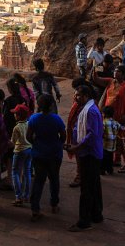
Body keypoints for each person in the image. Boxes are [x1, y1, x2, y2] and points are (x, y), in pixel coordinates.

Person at [66, 85, 103, 231]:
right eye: (75, 95)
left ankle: (84, 221)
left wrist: (77, 147)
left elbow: (91, 135)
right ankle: (96, 214)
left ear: (87, 96)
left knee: (87, 187)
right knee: (94, 185)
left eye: (79, 95)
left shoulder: (91, 111)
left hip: (90, 153)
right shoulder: (87, 109)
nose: (76, 97)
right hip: (87, 152)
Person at [26, 93, 65, 221]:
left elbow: (28, 136)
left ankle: (35, 208)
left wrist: (36, 143)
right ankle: (54, 204)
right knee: (54, 179)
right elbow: (63, 136)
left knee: (38, 180)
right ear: (51, 105)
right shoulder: (56, 119)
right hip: (54, 153)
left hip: (39, 153)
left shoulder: (34, 118)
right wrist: (58, 144)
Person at [101, 66, 125, 172]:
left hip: (120, 117)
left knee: (121, 140)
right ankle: (117, 159)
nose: (115, 72)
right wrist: (94, 68)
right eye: (114, 70)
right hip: (109, 116)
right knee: (112, 138)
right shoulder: (110, 82)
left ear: (123, 74)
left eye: (118, 71)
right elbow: (96, 79)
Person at [10, 103, 32, 206]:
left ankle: (18, 197)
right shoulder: (29, 123)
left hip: (19, 150)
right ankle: (27, 195)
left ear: (18, 115)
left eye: (15, 113)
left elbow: (13, 142)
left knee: (15, 172)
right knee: (27, 172)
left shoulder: (16, 127)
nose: (14, 115)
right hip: (29, 149)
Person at [102, 105, 120, 176]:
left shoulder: (104, 122)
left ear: (105, 114)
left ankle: (102, 170)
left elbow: (102, 132)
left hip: (105, 144)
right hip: (113, 145)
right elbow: (120, 127)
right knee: (110, 158)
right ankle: (110, 169)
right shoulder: (115, 122)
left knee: (103, 158)